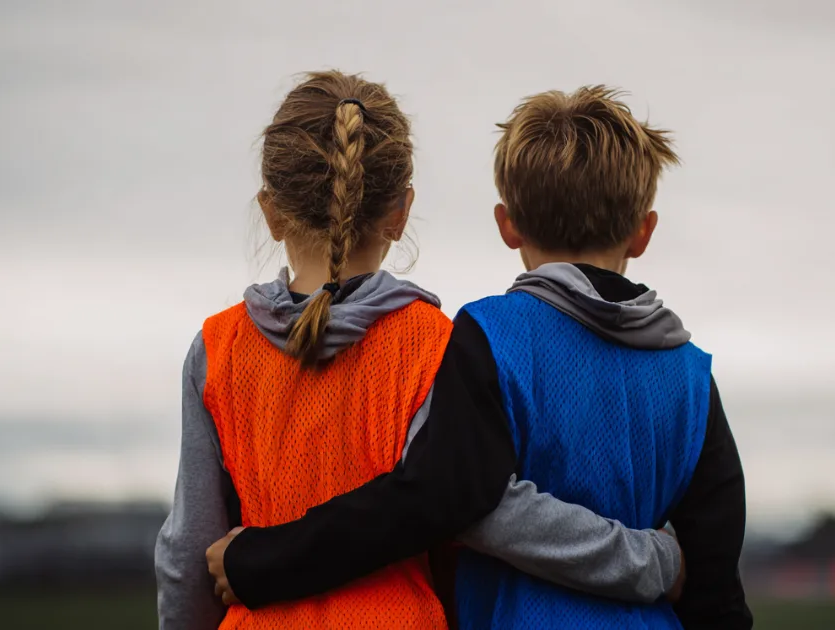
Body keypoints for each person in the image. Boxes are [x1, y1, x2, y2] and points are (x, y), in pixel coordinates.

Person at [155, 72, 687, 630]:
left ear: (270, 210)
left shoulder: (218, 348)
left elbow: (187, 551)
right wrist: (657, 560)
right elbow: (468, 516)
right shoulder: (437, 343)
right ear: (401, 211)